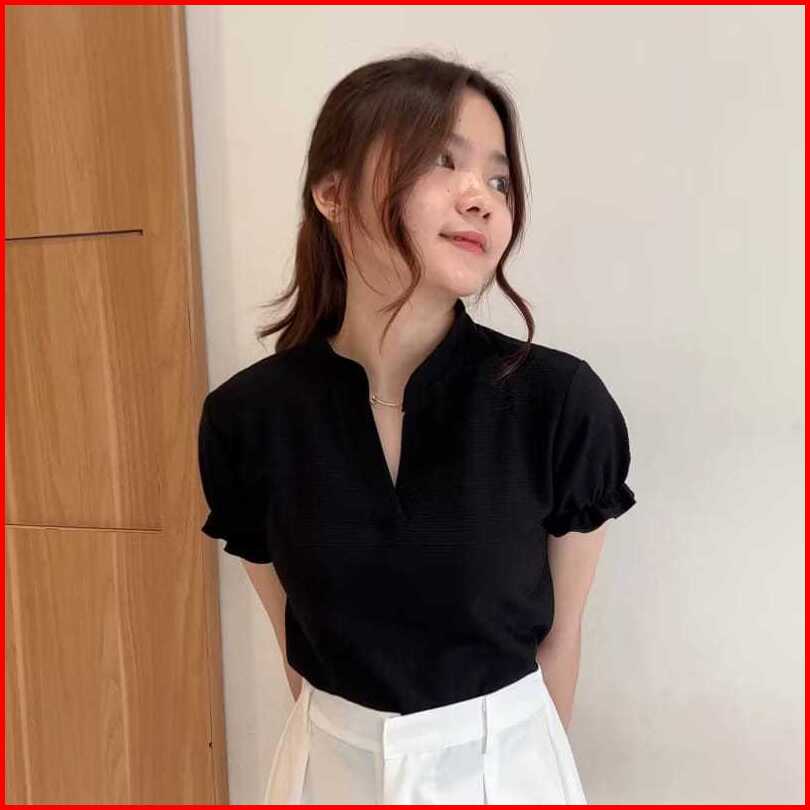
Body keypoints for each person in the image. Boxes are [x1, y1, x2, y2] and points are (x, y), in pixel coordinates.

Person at [198, 51, 636, 805]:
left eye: (499, 180)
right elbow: (297, 647)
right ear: (333, 193)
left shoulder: (559, 402)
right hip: (327, 774)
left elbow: (560, 641)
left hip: (507, 771)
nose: (482, 199)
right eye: (443, 160)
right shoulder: (248, 419)